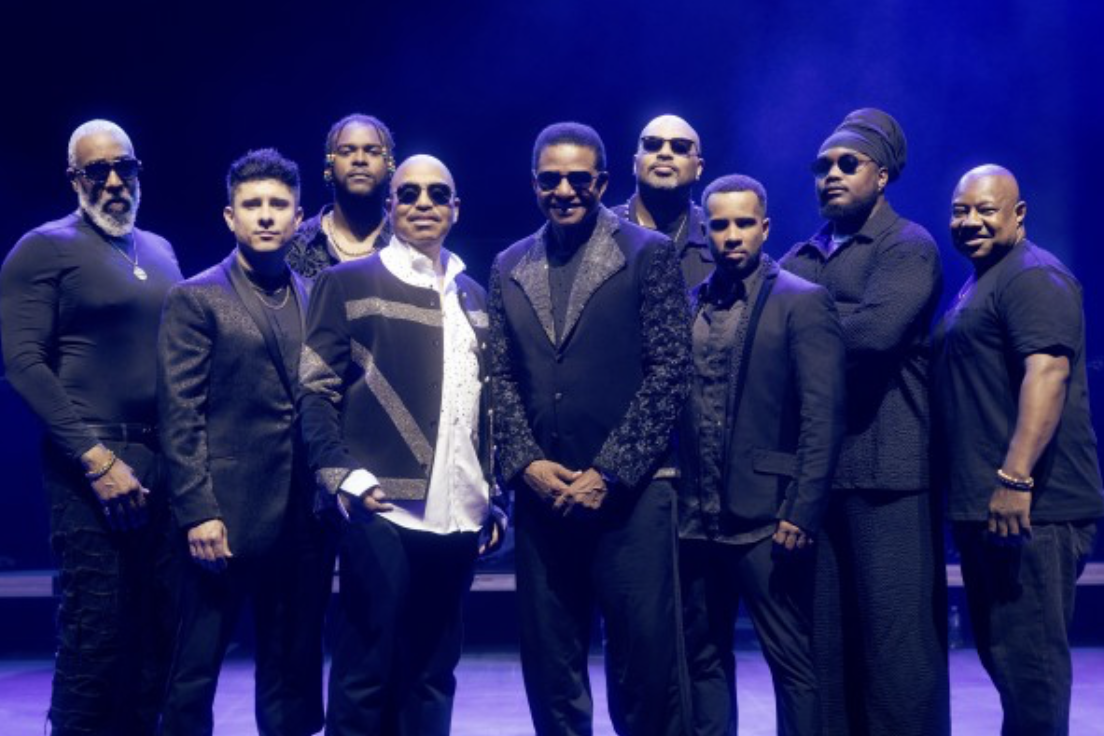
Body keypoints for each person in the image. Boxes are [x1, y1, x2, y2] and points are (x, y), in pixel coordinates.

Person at [488, 122, 692, 736]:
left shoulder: (647, 252)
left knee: (645, 670)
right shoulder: (508, 264)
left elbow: (671, 371)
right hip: (544, 497)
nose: (565, 190)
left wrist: (609, 471)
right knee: (551, 668)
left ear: (602, 182)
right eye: (550, 179)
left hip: (632, 496)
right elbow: (500, 376)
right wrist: (526, 463)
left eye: (579, 179)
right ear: (534, 184)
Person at [299, 154, 499, 735]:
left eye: (437, 194)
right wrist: (344, 477)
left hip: (460, 514)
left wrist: (493, 495)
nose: (423, 203)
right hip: (381, 507)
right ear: (390, 206)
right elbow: (313, 392)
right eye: (408, 193)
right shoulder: (347, 282)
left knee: (433, 673)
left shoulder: (473, 296)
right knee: (366, 671)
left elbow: (484, 407)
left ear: (456, 209)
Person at [0, 119, 181, 735]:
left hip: (163, 461)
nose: (112, 182)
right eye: (95, 171)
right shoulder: (43, 248)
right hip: (90, 465)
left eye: (123, 167)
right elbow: (22, 364)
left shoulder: (160, 251)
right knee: (96, 632)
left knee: (159, 634)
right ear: (73, 179)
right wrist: (96, 458)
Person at [779, 108, 949, 735]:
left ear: (881, 176)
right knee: (825, 646)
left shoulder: (908, 245)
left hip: (890, 470)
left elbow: (876, 333)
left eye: (847, 163)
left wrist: (803, 331)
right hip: (819, 478)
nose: (831, 174)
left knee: (896, 647)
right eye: (822, 165)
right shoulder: (800, 255)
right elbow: (769, 339)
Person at [158, 148, 331, 735]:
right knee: (194, 669)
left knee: (293, 669)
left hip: (302, 517)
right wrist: (198, 511)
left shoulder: (315, 295)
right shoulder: (197, 297)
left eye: (278, 205)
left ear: (298, 217)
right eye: (252, 204)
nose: (265, 215)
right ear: (229, 216)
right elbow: (180, 413)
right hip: (225, 516)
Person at [934, 165, 1103, 736]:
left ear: (1019, 214)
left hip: (1035, 511)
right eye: (960, 210)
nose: (971, 221)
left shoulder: (1033, 276)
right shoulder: (984, 280)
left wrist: (1015, 478)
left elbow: (1048, 373)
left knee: (1031, 674)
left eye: (986, 209)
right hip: (996, 510)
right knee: (1008, 663)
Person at [679, 174, 845, 736]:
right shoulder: (690, 305)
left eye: (744, 223)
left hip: (768, 518)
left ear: (765, 227)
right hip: (696, 519)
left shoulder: (802, 301)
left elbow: (823, 416)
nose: (732, 235)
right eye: (720, 225)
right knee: (702, 657)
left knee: (791, 660)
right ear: (705, 232)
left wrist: (802, 509)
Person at [287, 113, 396, 279]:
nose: (359, 159)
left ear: (389, 165)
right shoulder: (294, 244)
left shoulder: (407, 243)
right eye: (346, 151)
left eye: (373, 151)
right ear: (329, 165)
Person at [612, 114, 712, 288]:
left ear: (698, 168)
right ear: (635, 163)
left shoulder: (717, 234)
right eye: (652, 145)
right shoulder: (603, 228)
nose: (665, 153)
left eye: (680, 147)